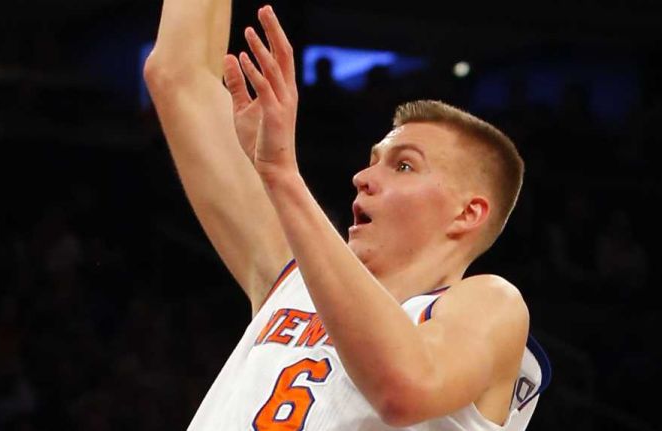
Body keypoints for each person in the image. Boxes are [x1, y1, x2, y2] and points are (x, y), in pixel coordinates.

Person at [144, 0, 551, 429]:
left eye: (404, 166)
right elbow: (178, 75)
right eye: (372, 161)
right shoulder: (295, 279)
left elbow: (405, 389)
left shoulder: (490, 304)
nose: (362, 178)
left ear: (467, 213)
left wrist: (282, 174)